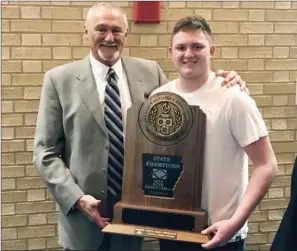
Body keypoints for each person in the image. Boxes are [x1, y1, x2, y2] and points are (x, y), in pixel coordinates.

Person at [33, 3, 248, 251]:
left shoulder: (150, 72)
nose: (109, 37)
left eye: (117, 30)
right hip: (84, 220)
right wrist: (77, 198)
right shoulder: (58, 80)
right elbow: (45, 153)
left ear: (126, 34)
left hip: (137, 215)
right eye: (100, 29)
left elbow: (186, 108)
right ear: (85, 33)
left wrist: (225, 82)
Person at [151, 16, 277, 251]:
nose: (189, 53)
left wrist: (235, 222)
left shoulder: (234, 98)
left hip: (220, 234)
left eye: (197, 46)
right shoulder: (159, 99)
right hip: (172, 230)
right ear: (171, 52)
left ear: (212, 50)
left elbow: (266, 165)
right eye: (181, 47)